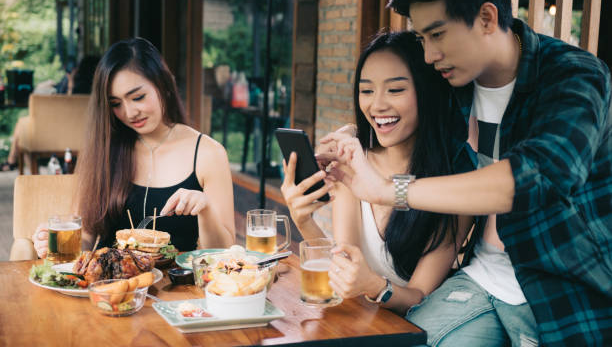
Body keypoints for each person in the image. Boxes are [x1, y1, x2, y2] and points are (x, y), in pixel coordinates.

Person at [321, 0, 611, 346]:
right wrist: (350, 144)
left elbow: (540, 175)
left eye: (437, 34)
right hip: (482, 276)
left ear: (487, 18)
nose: (428, 54)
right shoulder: (451, 85)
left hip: (562, 283)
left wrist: (389, 190)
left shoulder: (574, 76)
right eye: (422, 37)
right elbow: (393, 113)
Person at [281, 31, 472, 315]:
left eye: (395, 90)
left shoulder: (453, 182)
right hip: (363, 323)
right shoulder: (354, 164)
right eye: (367, 90)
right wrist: (304, 219)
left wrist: (375, 286)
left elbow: (419, 296)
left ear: (427, 91)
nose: (377, 105)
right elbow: (347, 267)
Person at [32, 38, 235, 256]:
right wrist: (60, 246)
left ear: (163, 85)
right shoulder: (106, 147)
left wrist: (205, 210)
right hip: (111, 285)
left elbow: (225, 252)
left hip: (179, 287)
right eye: (116, 104)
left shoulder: (208, 153)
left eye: (137, 97)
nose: (129, 113)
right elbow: (88, 239)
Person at [1, 55, 100, 171]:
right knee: (24, 128)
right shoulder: (97, 91)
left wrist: (69, 83)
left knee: (24, 130)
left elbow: (67, 103)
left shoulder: (73, 84)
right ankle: (13, 162)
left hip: (56, 135)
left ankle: (16, 164)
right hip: (84, 135)